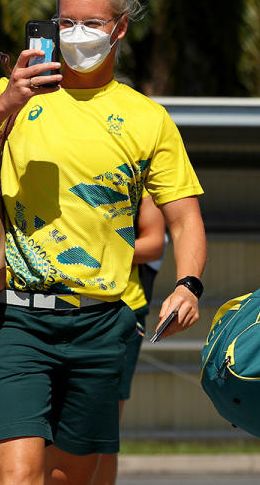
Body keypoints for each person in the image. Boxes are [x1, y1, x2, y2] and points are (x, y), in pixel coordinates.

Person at [0, 0, 206, 484]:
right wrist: (5, 103)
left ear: (119, 28)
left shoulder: (149, 118)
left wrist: (188, 283)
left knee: (71, 479)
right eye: (66, 22)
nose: (77, 33)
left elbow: (185, 219)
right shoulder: (13, 95)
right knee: (16, 477)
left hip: (102, 324)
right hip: (13, 319)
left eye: (92, 23)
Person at [92, 196, 167, 485]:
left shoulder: (136, 177)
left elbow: (154, 243)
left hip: (121, 309)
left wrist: (92, 248)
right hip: (53, 306)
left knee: (103, 426)